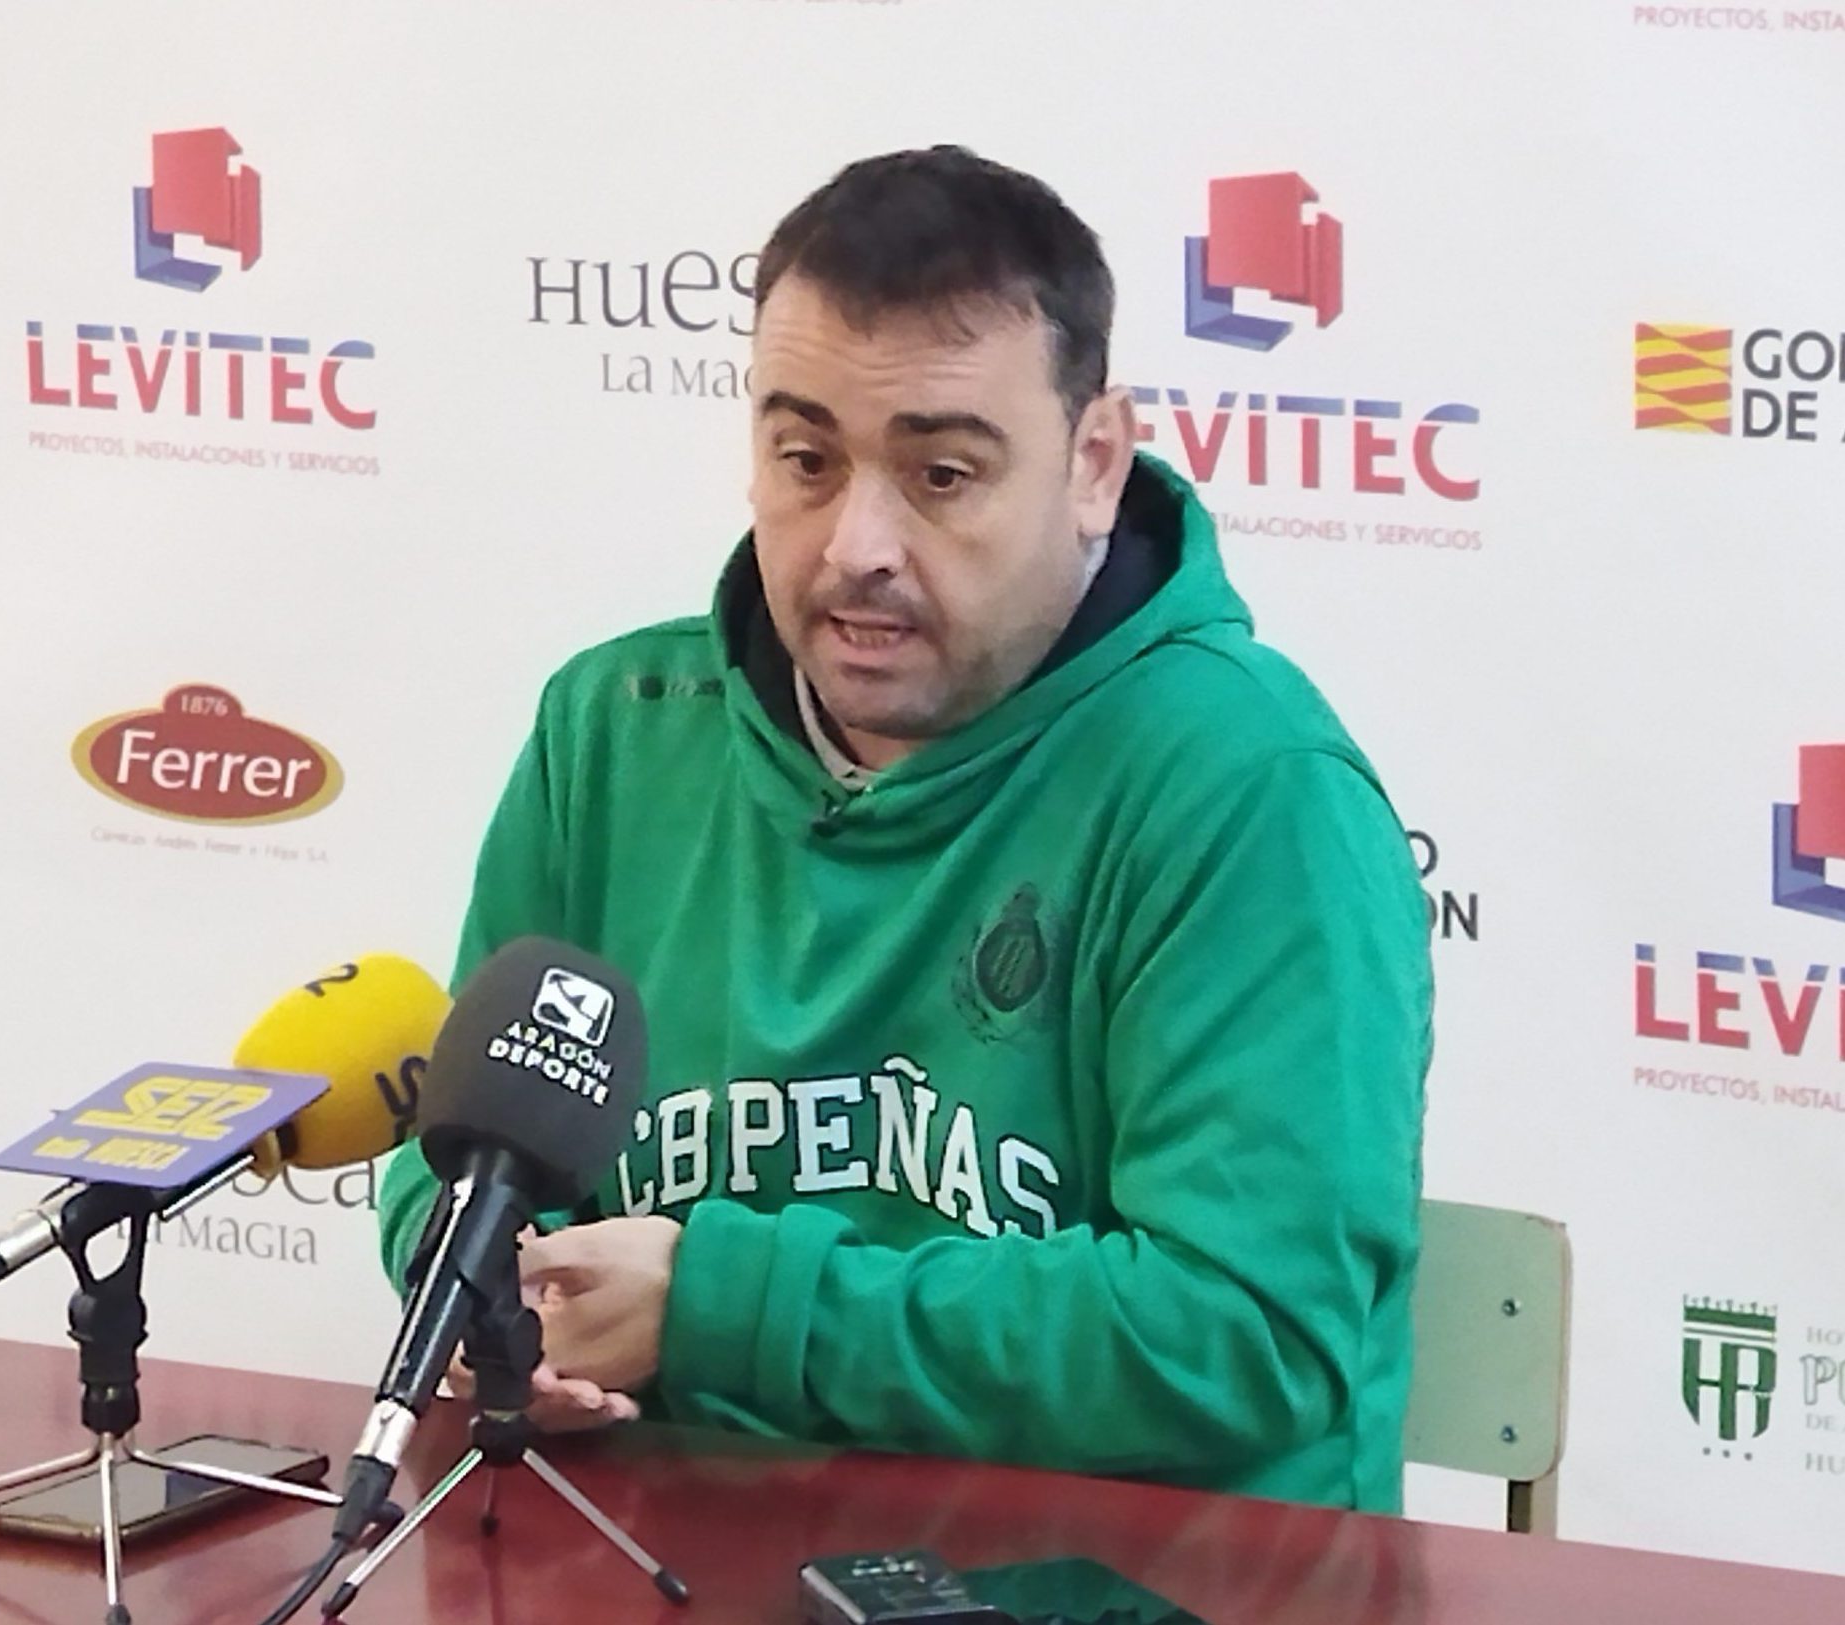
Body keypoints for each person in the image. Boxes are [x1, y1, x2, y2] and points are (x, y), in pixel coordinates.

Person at [377, 145, 1431, 1512]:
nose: (855, 542)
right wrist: (494, 1292)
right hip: (664, 1554)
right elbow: (453, 1156)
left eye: (940, 475)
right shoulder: (614, 731)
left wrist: (716, 1304)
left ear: (1095, 462)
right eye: (804, 458)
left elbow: (1250, 1331)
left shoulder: (1250, 786)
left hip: (1129, 1593)